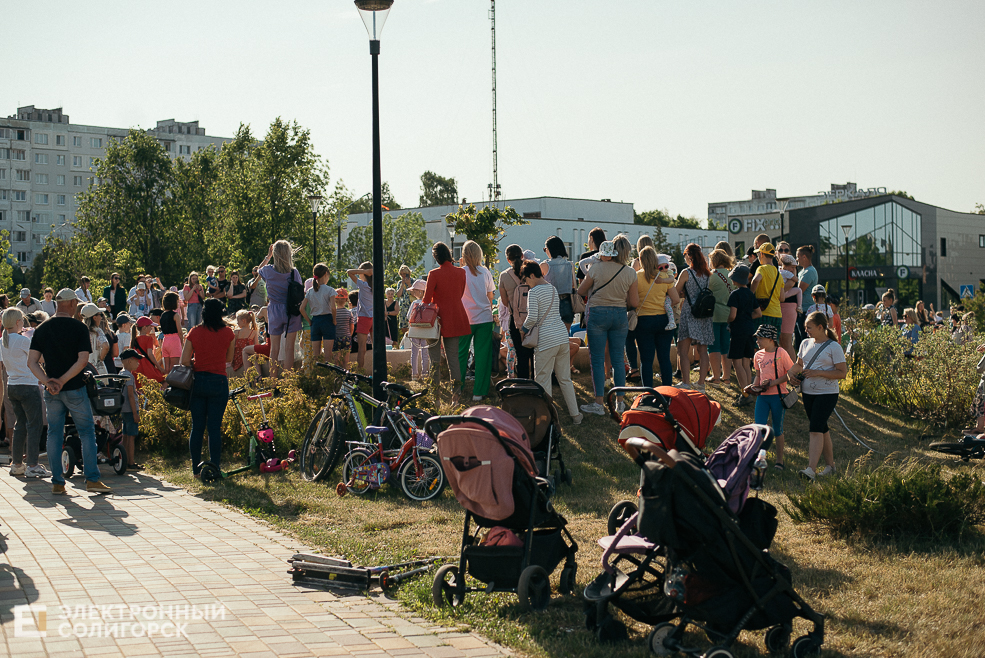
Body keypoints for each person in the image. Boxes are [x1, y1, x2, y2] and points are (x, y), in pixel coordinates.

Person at [28, 288, 112, 494]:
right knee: (86, 432)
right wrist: (63, 380)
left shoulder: (42, 329)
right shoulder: (78, 328)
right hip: (75, 388)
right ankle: (92, 479)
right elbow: (83, 360)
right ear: (73, 304)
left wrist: (49, 382)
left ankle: (57, 482)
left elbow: (31, 362)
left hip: (52, 391)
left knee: (55, 434)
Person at [577, 237, 638, 415]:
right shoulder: (630, 272)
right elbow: (633, 301)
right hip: (619, 314)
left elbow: (581, 290)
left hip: (597, 313)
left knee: (596, 359)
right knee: (618, 359)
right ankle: (620, 402)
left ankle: (598, 403)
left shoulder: (596, 268)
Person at [519, 260, 583, 424]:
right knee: (565, 379)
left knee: (543, 380)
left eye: (526, 280)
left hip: (546, 340)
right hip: (561, 337)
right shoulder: (552, 288)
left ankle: (546, 419)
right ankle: (575, 415)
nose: (526, 284)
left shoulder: (534, 292)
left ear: (532, 275)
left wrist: (523, 330)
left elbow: (532, 317)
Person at [788, 311, 848, 481]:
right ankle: (831, 466)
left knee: (815, 428)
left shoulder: (833, 347)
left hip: (827, 394)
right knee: (822, 428)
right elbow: (799, 365)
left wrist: (818, 372)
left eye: (809, 327)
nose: (806, 330)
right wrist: (790, 375)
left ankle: (810, 470)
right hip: (808, 393)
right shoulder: (805, 343)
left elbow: (842, 373)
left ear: (820, 327)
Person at [180, 299, 234, 476]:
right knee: (214, 428)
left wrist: (198, 361)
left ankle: (196, 469)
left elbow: (184, 361)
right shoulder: (228, 333)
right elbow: (229, 358)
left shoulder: (195, 332)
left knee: (197, 427)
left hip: (199, 381)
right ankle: (215, 467)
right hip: (219, 380)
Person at [1, 308, 48, 478]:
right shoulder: (22, 341)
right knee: (34, 425)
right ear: (18, 322)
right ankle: (33, 464)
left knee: (19, 425)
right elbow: (40, 359)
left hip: (12, 385)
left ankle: (17, 464)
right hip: (28, 385)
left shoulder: (2, 341)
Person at [423, 242, 470, 401]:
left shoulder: (434, 274)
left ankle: (434, 395)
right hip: (455, 316)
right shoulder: (461, 273)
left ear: (436, 257)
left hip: (435, 320)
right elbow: (460, 294)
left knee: (434, 360)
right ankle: (456, 395)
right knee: (454, 359)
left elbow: (426, 300)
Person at [746, 324, 794, 469]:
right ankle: (759, 458)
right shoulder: (757, 355)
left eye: (760, 338)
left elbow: (790, 374)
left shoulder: (781, 353)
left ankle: (780, 461)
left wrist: (773, 383)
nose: (757, 341)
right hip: (763, 397)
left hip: (778, 397)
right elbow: (758, 376)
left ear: (771, 339)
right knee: (759, 428)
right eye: (757, 338)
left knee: (777, 429)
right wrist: (753, 387)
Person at [634, 248, 680, 387]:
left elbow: (632, 300)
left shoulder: (636, 276)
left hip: (643, 320)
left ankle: (648, 391)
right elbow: (676, 299)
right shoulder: (664, 275)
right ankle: (667, 392)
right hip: (663, 319)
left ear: (640, 260)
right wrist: (664, 303)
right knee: (664, 358)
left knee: (646, 360)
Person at [258, 240, 303, 375]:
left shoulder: (267, 271)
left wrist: (268, 256)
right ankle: (287, 381)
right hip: (291, 311)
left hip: (274, 310)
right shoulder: (294, 273)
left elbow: (257, 270)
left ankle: (272, 380)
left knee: (274, 349)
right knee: (289, 348)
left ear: (275, 253)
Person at [674, 243, 714, 391]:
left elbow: (675, 292)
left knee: (682, 350)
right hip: (704, 314)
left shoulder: (686, 273)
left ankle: (686, 382)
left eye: (685, 255)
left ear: (689, 256)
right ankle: (701, 384)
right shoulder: (707, 274)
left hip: (689, 313)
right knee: (703, 351)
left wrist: (683, 293)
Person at [459, 241, 496, 401]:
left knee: (460, 354)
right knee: (482, 355)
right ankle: (479, 392)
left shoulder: (460, 273)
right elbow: (491, 295)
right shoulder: (485, 272)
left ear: (464, 255)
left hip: (465, 317)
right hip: (484, 317)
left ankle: (457, 389)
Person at [727, 264, 761, 407]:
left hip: (738, 331)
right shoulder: (750, 294)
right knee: (746, 362)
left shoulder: (735, 294)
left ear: (735, 279)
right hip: (750, 330)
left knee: (736, 362)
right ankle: (749, 391)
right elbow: (758, 313)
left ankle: (745, 394)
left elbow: (733, 316)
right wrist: (747, 319)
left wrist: (728, 321)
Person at [500, 244, 535, 379]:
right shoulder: (530, 272)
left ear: (508, 259)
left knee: (520, 354)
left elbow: (504, 302)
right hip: (532, 317)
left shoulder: (504, 276)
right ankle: (535, 382)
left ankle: (523, 382)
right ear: (522, 256)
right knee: (532, 352)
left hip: (515, 320)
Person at [707, 248, 735, 385]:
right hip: (729, 314)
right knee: (726, 346)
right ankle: (727, 377)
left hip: (714, 314)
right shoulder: (731, 275)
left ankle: (716, 377)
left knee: (713, 346)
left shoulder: (711, 276)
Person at [300, 263, 336, 367]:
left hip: (315, 321)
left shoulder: (310, 291)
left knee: (316, 356)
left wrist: (310, 321)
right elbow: (333, 307)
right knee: (328, 355)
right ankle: (328, 377)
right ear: (325, 274)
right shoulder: (330, 290)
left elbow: (301, 308)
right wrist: (334, 320)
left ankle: (316, 377)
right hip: (327, 320)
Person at [750, 242, 787, 335]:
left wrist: (750, 294)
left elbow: (755, 280)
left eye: (758, 254)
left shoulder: (762, 268)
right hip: (777, 315)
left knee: (758, 346)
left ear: (762, 254)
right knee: (773, 346)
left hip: (763, 313)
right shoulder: (779, 274)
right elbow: (782, 298)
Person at [118, 349, 144, 470]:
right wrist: (135, 413)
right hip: (130, 410)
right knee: (132, 436)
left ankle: (124, 459)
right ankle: (131, 462)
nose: (138, 363)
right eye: (136, 361)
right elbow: (130, 395)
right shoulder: (129, 376)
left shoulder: (121, 374)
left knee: (125, 435)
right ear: (129, 361)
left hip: (123, 410)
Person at [347, 261, 375, 372]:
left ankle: (360, 370)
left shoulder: (363, 285)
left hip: (364, 317)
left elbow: (349, 272)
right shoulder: (374, 285)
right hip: (374, 317)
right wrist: (368, 272)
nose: (359, 274)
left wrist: (364, 271)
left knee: (361, 348)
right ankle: (377, 369)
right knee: (376, 346)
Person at [544, 235, 576, 331]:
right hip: (567, 302)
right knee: (565, 337)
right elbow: (573, 285)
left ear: (549, 249)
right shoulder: (570, 264)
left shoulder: (544, 265)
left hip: (550, 303)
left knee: (551, 337)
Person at [406, 280, 430, 381]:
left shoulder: (415, 303)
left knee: (414, 353)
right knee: (425, 352)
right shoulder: (429, 303)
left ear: (420, 291)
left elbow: (408, 316)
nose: (413, 293)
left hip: (415, 330)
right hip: (425, 330)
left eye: (415, 291)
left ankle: (414, 374)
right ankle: (425, 373)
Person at [160, 291, 184, 373]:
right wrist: (182, 343)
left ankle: (166, 384)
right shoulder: (175, 315)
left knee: (167, 369)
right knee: (175, 368)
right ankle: (172, 385)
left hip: (165, 340)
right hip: (174, 341)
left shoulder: (163, 315)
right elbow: (180, 332)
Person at [82, 303, 109, 375]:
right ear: (94, 317)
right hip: (96, 368)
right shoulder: (97, 331)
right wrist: (101, 358)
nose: (101, 317)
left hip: (83, 368)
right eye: (100, 315)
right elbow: (106, 346)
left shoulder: (80, 331)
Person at [230, 310, 259, 376]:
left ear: (243, 321)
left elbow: (233, 347)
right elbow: (256, 346)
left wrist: (231, 360)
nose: (237, 323)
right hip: (249, 357)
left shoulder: (236, 332)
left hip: (237, 358)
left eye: (238, 321)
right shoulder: (253, 332)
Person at [333, 289, 353, 367]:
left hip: (336, 337)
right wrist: (349, 335)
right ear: (346, 300)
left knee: (336, 359)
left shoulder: (333, 313)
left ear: (335, 300)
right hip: (347, 338)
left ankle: (337, 376)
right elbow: (351, 327)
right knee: (346, 360)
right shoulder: (349, 313)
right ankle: (346, 374)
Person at [395, 265, 415, 340]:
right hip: (403, 307)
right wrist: (402, 284)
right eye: (402, 274)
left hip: (411, 306)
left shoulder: (413, 281)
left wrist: (409, 284)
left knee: (412, 325)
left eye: (405, 274)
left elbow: (415, 294)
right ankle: (406, 340)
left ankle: (412, 341)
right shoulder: (400, 283)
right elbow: (398, 295)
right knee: (403, 326)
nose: (403, 276)